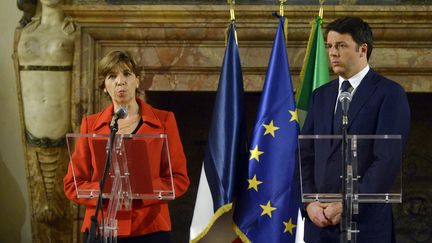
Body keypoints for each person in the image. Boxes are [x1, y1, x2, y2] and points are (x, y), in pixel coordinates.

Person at [300, 16, 410, 243]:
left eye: (341, 46)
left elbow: (386, 161)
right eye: (329, 46)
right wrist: (309, 203)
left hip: (365, 226)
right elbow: (304, 153)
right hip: (319, 224)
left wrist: (348, 204)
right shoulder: (320, 96)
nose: (332, 53)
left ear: (363, 49)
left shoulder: (389, 94)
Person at [63, 50, 190, 242]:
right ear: (104, 86)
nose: (120, 81)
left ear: (137, 81)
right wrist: (106, 190)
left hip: (151, 228)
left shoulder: (164, 120)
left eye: (127, 74)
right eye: (112, 76)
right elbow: (73, 184)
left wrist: (140, 189)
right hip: (102, 228)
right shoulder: (90, 124)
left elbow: (179, 179)